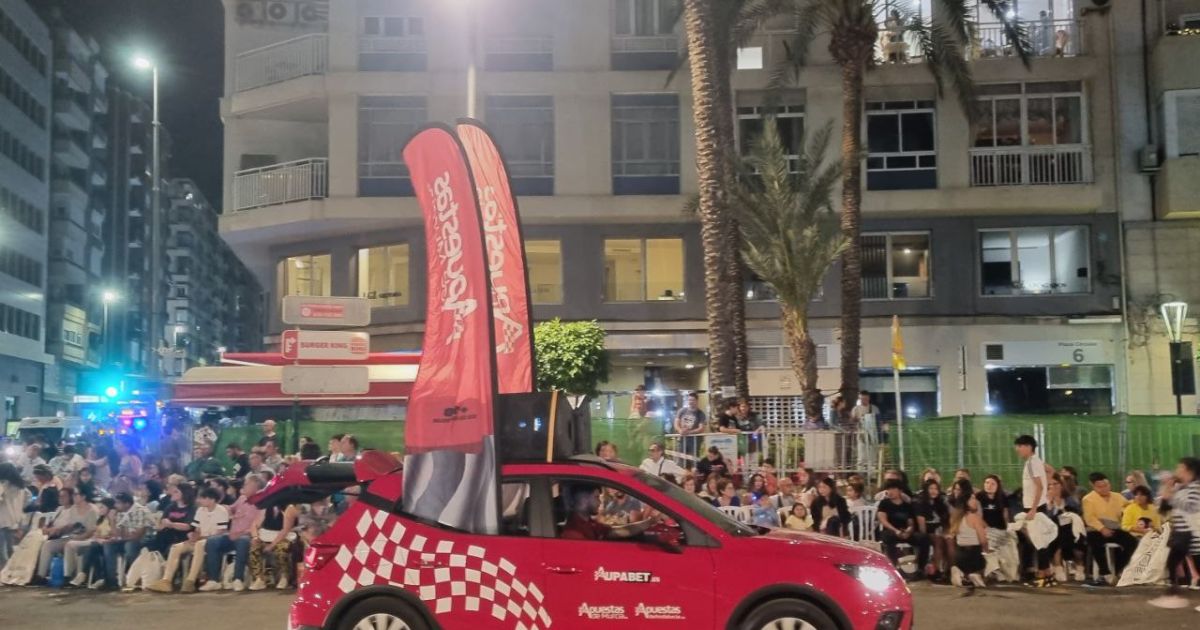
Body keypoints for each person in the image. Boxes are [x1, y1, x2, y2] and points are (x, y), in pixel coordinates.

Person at [148, 487, 229, 593]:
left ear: (212, 499)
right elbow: (197, 529)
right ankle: (166, 580)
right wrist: (193, 536)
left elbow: (220, 532)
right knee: (176, 547)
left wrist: (200, 538)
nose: (199, 500)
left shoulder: (221, 511)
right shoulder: (200, 510)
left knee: (199, 545)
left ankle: (190, 580)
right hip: (200, 539)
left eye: (203, 498)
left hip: (213, 542)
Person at [1148, 457, 1200, 609]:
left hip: (1193, 533)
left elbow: (1191, 507)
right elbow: (1163, 508)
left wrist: (1171, 496)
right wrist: (1166, 488)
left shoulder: (1196, 487)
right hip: (1181, 533)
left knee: (1194, 564)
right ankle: (1172, 595)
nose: (1176, 471)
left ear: (1188, 470)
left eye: (1180, 468)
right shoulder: (1181, 488)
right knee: (1171, 563)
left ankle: (1173, 595)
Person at [198, 474, 262, 592]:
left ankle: (238, 579)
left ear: (256, 487)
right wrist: (219, 506)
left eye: (247, 484)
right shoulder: (242, 499)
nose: (243, 486)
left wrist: (243, 533)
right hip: (231, 534)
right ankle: (213, 580)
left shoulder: (262, 503)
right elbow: (230, 508)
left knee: (243, 541)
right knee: (212, 541)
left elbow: (259, 525)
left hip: (247, 535)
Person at [1081, 472, 1136, 585]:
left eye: (1106, 485)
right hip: (1096, 529)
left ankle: (1118, 568)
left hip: (1115, 527)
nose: (1104, 488)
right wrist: (1102, 528)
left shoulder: (1118, 496)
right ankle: (1105, 572)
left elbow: (1129, 507)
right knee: (1095, 542)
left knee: (1132, 542)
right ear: (1093, 486)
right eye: (1100, 487)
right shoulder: (1088, 499)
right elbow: (1090, 518)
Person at [35, 487, 98, 581]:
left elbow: (91, 531)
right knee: (48, 545)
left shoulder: (92, 510)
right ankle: (41, 576)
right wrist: (58, 530)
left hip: (86, 538)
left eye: (75, 495)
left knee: (69, 544)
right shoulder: (73, 509)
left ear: (83, 496)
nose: (73, 497)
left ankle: (68, 576)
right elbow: (71, 526)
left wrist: (77, 537)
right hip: (72, 536)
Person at [560, 484, 661, 541]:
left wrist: (649, 522)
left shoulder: (589, 523)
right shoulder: (574, 532)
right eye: (596, 497)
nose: (600, 502)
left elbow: (619, 531)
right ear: (584, 500)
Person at [99, 492, 155, 590]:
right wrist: (112, 520)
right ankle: (112, 582)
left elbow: (138, 535)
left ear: (127, 504)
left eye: (118, 503)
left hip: (146, 540)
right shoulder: (120, 513)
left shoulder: (140, 511)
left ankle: (135, 579)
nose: (115, 505)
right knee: (108, 545)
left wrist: (122, 536)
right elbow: (117, 534)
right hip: (128, 540)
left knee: (129, 546)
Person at [877, 480, 930, 577]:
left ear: (900, 491)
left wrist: (909, 530)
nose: (890, 491)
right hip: (890, 531)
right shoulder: (884, 503)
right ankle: (893, 569)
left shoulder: (907, 505)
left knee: (924, 538)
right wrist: (895, 530)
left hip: (904, 531)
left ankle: (920, 569)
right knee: (888, 538)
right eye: (888, 489)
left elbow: (910, 522)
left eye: (893, 489)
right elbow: (883, 520)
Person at [948, 479, 989, 589]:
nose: (975, 501)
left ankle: (961, 574)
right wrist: (987, 551)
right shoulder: (975, 517)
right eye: (972, 499)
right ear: (966, 502)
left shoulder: (955, 516)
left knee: (966, 568)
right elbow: (983, 540)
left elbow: (953, 535)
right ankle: (977, 574)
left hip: (959, 555)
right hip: (974, 554)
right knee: (989, 563)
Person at [67, 497, 116, 587]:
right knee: (92, 549)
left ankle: (83, 574)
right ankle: (98, 578)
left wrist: (112, 520)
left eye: (102, 507)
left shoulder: (113, 519)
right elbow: (96, 534)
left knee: (89, 546)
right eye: (99, 507)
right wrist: (99, 537)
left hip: (106, 544)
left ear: (109, 508)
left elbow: (114, 535)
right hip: (97, 543)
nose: (99, 509)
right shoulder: (101, 520)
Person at [249, 501, 293, 590]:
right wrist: (255, 537)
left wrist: (272, 545)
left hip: (284, 536)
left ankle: (284, 577)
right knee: (254, 548)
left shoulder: (289, 508)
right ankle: (259, 579)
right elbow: (254, 525)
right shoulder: (265, 508)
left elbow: (285, 530)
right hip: (266, 535)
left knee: (282, 548)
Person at [916, 480, 951, 581]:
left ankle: (948, 570)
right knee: (938, 541)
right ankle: (936, 570)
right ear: (926, 490)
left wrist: (946, 532)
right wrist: (925, 535)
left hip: (940, 530)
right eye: (931, 488)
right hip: (927, 531)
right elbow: (921, 524)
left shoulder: (940, 503)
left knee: (948, 541)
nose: (933, 491)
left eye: (936, 489)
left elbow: (945, 521)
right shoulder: (921, 503)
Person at [0, 462, 30, 567]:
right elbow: (28, 498)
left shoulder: (3, 485)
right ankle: (13, 569)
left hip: (3, 521)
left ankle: (4, 570)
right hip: (17, 520)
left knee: (2, 551)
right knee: (11, 549)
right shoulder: (21, 487)